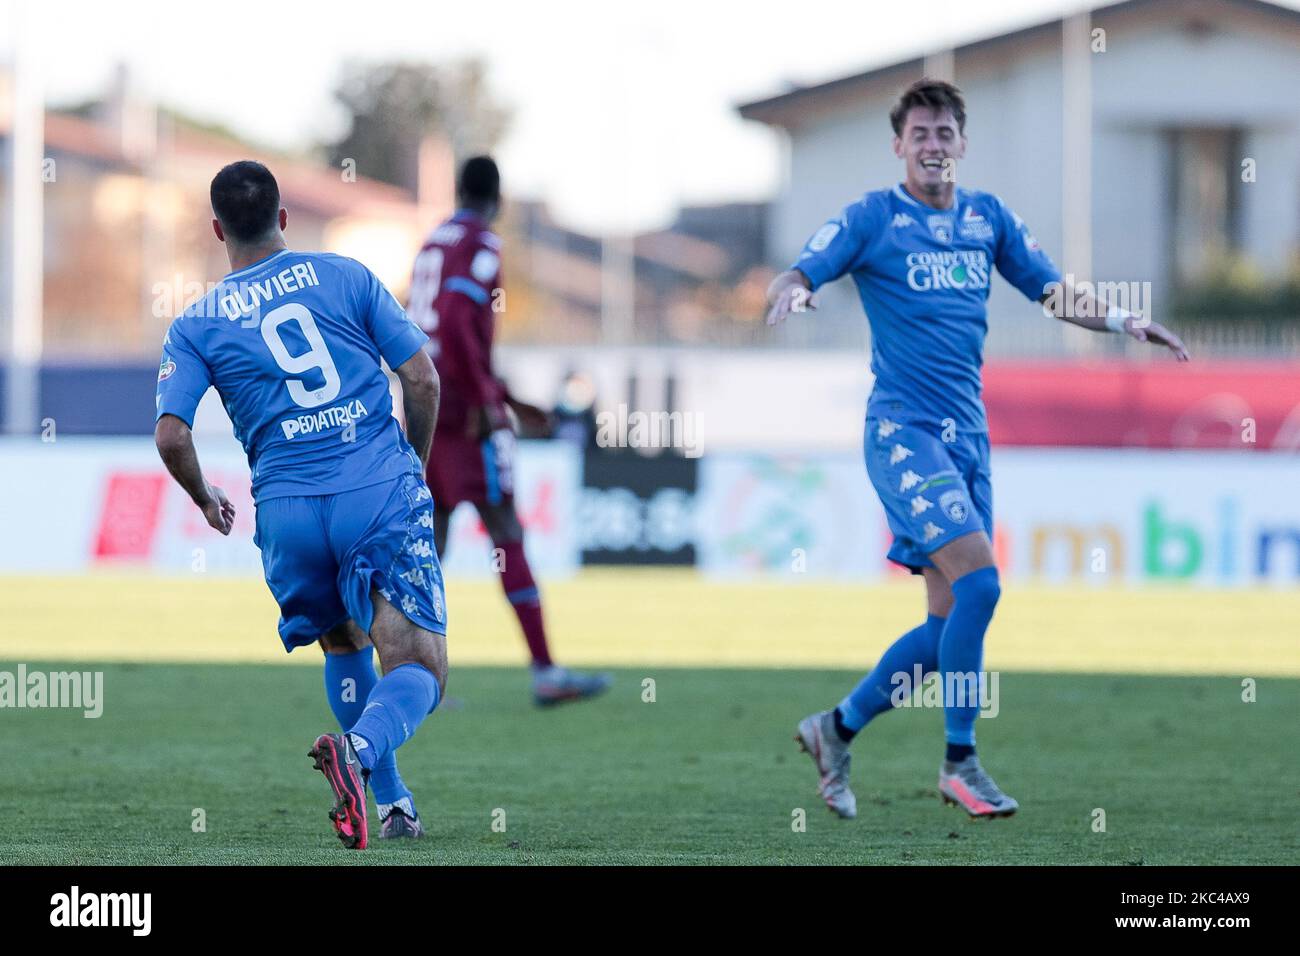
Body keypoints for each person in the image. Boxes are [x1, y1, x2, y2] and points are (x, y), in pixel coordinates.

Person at [766, 79, 1188, 820]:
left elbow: (1052, 292)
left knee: (943, 626)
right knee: (983, 588)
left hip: (967, 438)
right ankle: (960, 762)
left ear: (963, 144)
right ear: (898, 146)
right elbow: (807, 265)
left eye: (945, 133)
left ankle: (834, 730)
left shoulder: (987, 218)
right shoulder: (872, 216)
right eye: (919, 134)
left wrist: (1126, 322)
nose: (933, 146)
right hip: (904, 432)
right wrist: (794, 289)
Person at [154, 161, 448, 848]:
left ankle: (395, 805)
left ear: (217, 229)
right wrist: (417, 471)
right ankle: (363, 753)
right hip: (375, 491)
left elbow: (172, 434)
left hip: (288, 513)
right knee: (419, 666)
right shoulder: (345, 276)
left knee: (341, 640)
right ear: (284, 217)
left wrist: (203, 497)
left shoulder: (195, 324)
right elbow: (422, 380)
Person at [409, 155, 610, 706]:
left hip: (422, 401)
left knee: (431, 540)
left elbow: (429, 325)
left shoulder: (434, 239)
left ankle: (412, 674)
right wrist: (485, 401)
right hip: (462, 415)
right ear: (498, 197)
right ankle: (546, 671)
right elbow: (454, 319)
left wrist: (510, 397)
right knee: (505, 530)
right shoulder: (483, 244)